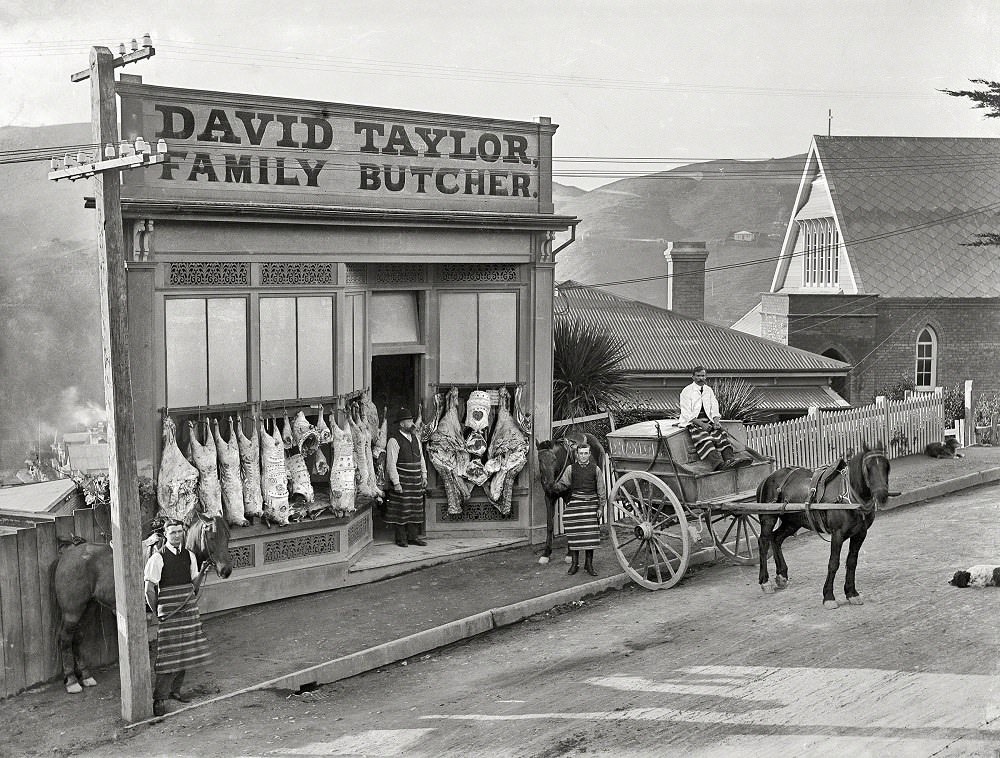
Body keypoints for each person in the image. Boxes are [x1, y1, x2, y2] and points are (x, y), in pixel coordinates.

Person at [143, 518, 211, 717]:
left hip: (188, 611)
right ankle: (160, 698)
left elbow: (194, 585)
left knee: (184, 652)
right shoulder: (157, 558)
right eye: (172, 533)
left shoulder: (189, 555)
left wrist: (203, 570)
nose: (177, 536)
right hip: (169, 614)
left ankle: (175, 690)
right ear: (165, 535)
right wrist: (157, 612)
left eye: (180, 532)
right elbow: (149, 590)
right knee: (167, 656)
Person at [677, 366, 750, 470]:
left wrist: (716, 421)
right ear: (693, 377)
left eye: (703, 376)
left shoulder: (708, 390)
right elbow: (687, 413)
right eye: (698, 376)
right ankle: (718, 464)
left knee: (721, 437)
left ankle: (730, 460)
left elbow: (714, 407)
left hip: (709, 422)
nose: (700, 378)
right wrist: (702, 425)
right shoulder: (686, 391)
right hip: (694, 423)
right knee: (706, 439)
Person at [553, 443, 608, 577]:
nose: (583, 456)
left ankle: (588, 564)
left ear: (589, 454)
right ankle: (575, 564)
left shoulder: (596, 470)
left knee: (590, 536)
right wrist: (553, 486)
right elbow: (563, 484)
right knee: (574, 533)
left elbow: (601, 490)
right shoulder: (570, 469)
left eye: (585, 453)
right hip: (576, 502)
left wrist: (601, 507)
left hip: (591, 504)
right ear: (577, 455)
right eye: (581, 453)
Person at [385, 407, 428, 547]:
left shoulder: (416, 438)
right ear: (402, 424)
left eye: (411, 420)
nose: (412, 423)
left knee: (415, 509)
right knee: (402, 510)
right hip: (402, 480)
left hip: (415, 480)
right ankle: (401, 539)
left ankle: (413, 537)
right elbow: (391, 463)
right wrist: (396, 483)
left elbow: (421, 458)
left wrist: (424, 475)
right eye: (409, 421)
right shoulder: (393, 440)